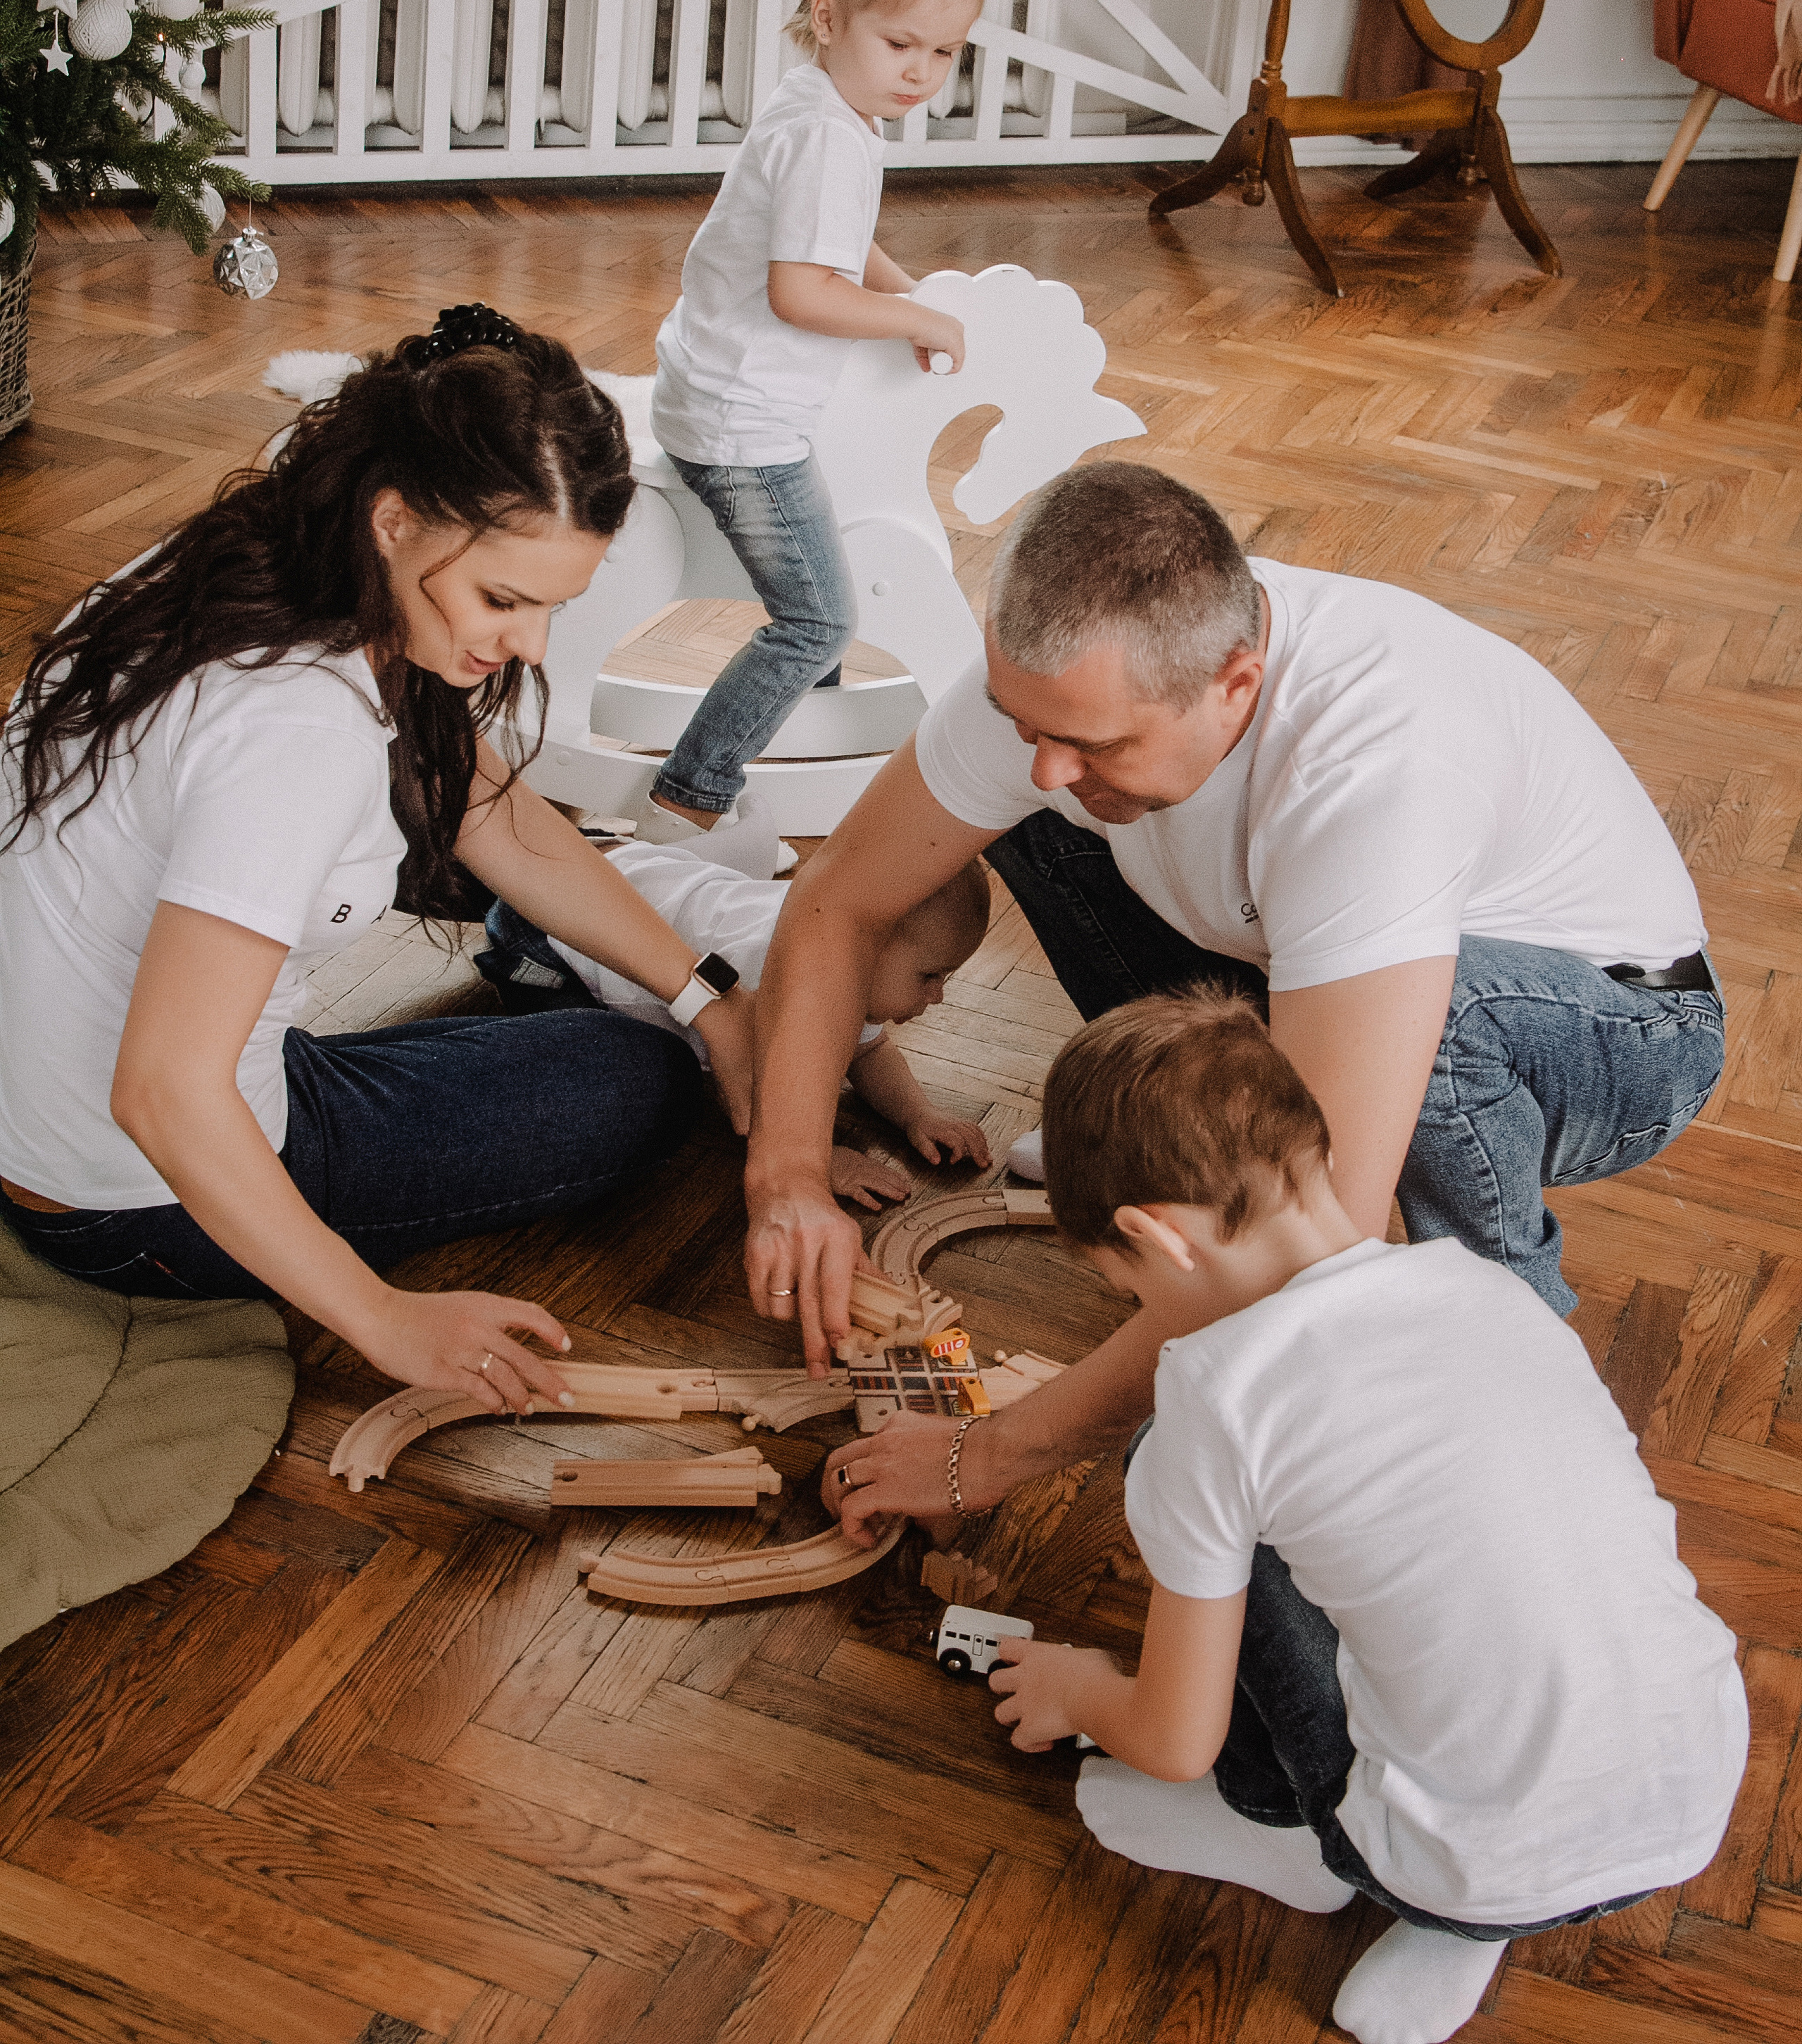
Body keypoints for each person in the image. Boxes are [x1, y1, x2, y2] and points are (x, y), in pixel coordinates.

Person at [757, 455, 1725, 1527]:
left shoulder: (1373, 770)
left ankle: (1513, 1371)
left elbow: (1305, 1230)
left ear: (1238, 685)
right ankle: (1171, 1153)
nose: (1044, 762)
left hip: (1614, 1030)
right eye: (1023, 722)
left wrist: (984, 1458)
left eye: (1090, 741)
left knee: (1377, 1139)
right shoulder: (1069, 679)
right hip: (1311, 963)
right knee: (1046, 822)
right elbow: (838, 900)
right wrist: (789, 1177)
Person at [0, 306, 760, 1418]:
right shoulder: (293, 733)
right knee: (628, 1081)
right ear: (395, 520)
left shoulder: (255, 560)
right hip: (130, 1201)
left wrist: (708, 999)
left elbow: (489, 811)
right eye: (504, 601)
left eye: (555, 608)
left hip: (36, 1113)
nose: (531, 646)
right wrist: (380, 1315)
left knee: (617, 1015)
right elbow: (164, 1092)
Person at [980, 992, 1746, 2044]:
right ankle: (1466, 1889)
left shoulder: (1217, 1395)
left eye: (1123, 1283)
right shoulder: (1490, 1287)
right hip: (1690, 1794)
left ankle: (1287, 1835)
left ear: (1154, 1237)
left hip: (1464, 1868)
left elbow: (1169, 1738)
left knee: (1172, 1471)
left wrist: (1083, 1690)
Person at [638, 0, 988, 854]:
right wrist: (912, 324)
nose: (921, 71)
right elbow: (803, 290)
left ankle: (801, 738)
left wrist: (905, 286)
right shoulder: (835, 140)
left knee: (819, 578)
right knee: (820, 619)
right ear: (829, 17)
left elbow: (835, 244)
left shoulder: (818, 104)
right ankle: (690, 795)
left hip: (720, 387)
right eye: (901, 42)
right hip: (740, 425)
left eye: (946, 52)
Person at [479, 844, 993, 1204]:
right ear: (870, 943)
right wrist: (813, 1160)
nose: (939, 996)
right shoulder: (771, 973)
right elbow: (747, 1092)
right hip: (549, 933)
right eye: (930, 975)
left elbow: (868, 1052)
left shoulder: (844, 960)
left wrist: (917, 1113)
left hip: (627, 873)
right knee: (593, 1064)